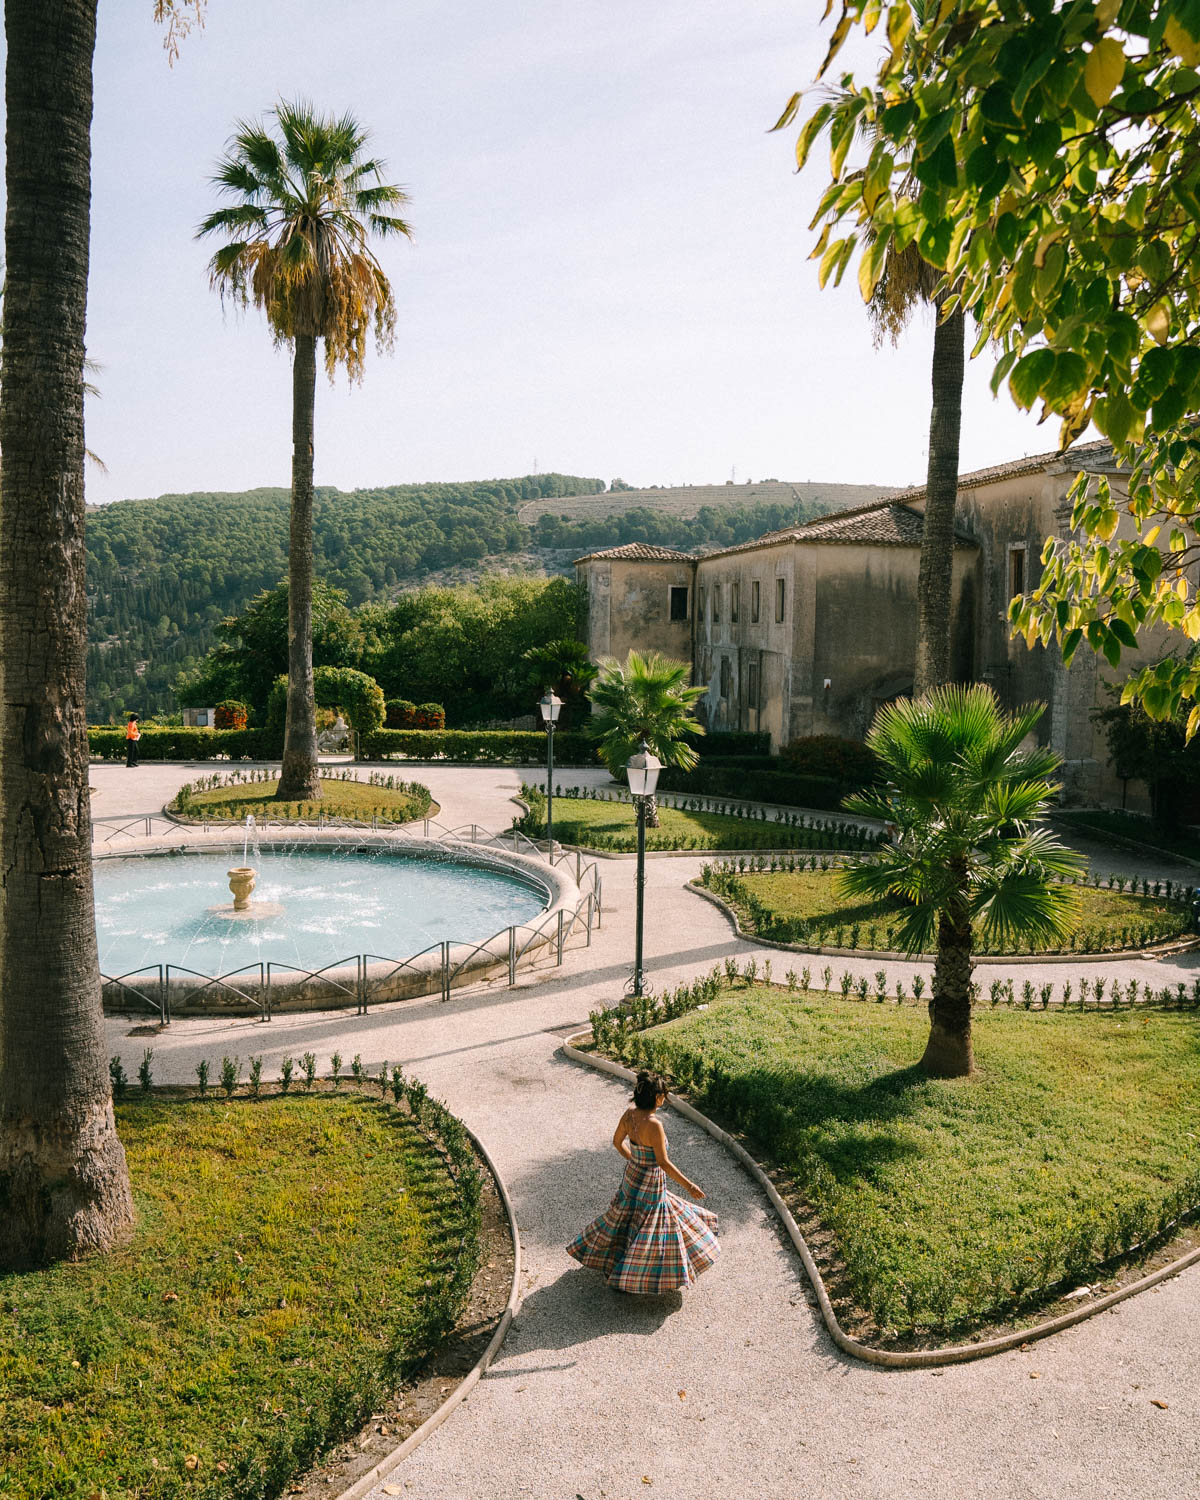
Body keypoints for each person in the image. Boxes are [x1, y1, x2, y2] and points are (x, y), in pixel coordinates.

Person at [567, 1070, 720, 1295]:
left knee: (626, 1217)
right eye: (664, 1096)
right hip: (652, 1181)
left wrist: (635, 1160)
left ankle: (615, 1262)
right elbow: (664, 1163)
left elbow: (617, 1142)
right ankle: (636, 1273)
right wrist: (689, 1186)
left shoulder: (629, 1114)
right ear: (657, 1097)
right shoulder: (654, 1124)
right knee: (651, 1226)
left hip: (632, 1176)